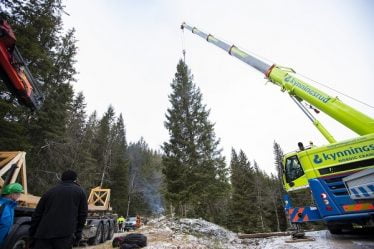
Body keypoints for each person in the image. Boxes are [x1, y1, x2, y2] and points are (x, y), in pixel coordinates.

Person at [29, 170, 88, 249]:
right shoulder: (80, 192)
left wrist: (32, 233)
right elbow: (83, 215)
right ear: (75, 179)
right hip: (64, 236)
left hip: (43, 234)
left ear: (61, 179)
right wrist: (78, 234)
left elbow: (37, 214)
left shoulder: (50, 191)